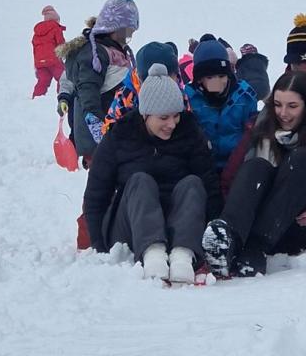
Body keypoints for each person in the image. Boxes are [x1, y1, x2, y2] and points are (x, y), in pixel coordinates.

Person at [201, 72, 306, 278]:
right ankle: (228, 240)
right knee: (255, 165)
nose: (283, 113)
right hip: (267, 223)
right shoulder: (259, 127)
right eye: (277, 104)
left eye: (292, 106)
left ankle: (254, 247)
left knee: (302, 159)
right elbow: (230, 180)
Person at [83, 64, 223, 282]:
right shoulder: (120, 136)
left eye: (176, 116)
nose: (172, 124)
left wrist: (216, 237)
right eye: (164, 118)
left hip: (179, 225)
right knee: (140, 180)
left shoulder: (188, 132)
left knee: (193, 183)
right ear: (145, 114)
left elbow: (209, 184)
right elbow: (96, 194)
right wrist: (99, 246)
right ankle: (153, 253)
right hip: (130, 227)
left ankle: (182, 255)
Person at [55, 0, 137, 168]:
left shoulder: (116, 51)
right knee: (103, 183)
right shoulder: (95, 53)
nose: (130, 35)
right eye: (128, 31)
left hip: (115, 131)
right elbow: (87, 90)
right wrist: (97, 126)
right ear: (116, 28)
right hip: (99, 134)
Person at [185, 39, 259, 172]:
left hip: (237, 165)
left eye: (221, 76)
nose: (217, 82)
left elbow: (252, 137)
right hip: (203, 166)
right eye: (210, 77)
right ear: (199, 79)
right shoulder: (189, 98)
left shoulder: (244, 95)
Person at [103, 41, 187, 134]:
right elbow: (109, 128)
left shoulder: (179, 93)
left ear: (176, 75)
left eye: (169, 77)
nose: (163, 84)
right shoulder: (126, 97)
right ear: (141, 79)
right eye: (156, 79)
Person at [32, 5, 67, 98]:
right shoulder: (56, 28)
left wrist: (36, 64)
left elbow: (35, 47)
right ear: (56, 20)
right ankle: (62, 96)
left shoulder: (37, 32)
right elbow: (61, 43)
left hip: (39, 61)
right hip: (53, 59)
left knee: (43, 80)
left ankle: (36, 98)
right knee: (63, 77)